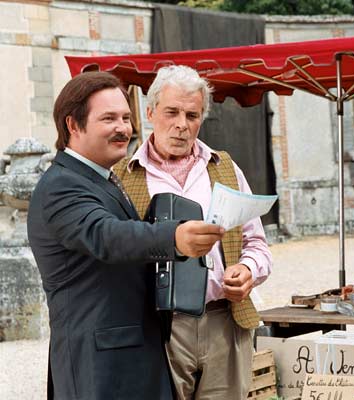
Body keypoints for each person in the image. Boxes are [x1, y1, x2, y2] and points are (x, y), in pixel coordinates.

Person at [27, 72, 224, 399]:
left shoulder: (98, 178)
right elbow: (105, 235)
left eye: (125, 118)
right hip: (101, 367)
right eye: (108, 118)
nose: (122, 128)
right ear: (73, 126)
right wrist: (174, 237)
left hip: (129, 357)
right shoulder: (61, 186)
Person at [113, 65, 273, 400]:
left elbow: (256, 243)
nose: (182, 125)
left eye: (192, 115)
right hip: (156, 326)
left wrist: (247, 270)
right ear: (151, 111)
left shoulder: (225, 167)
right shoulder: (122, 177)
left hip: (224, 322)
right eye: (171, 112)